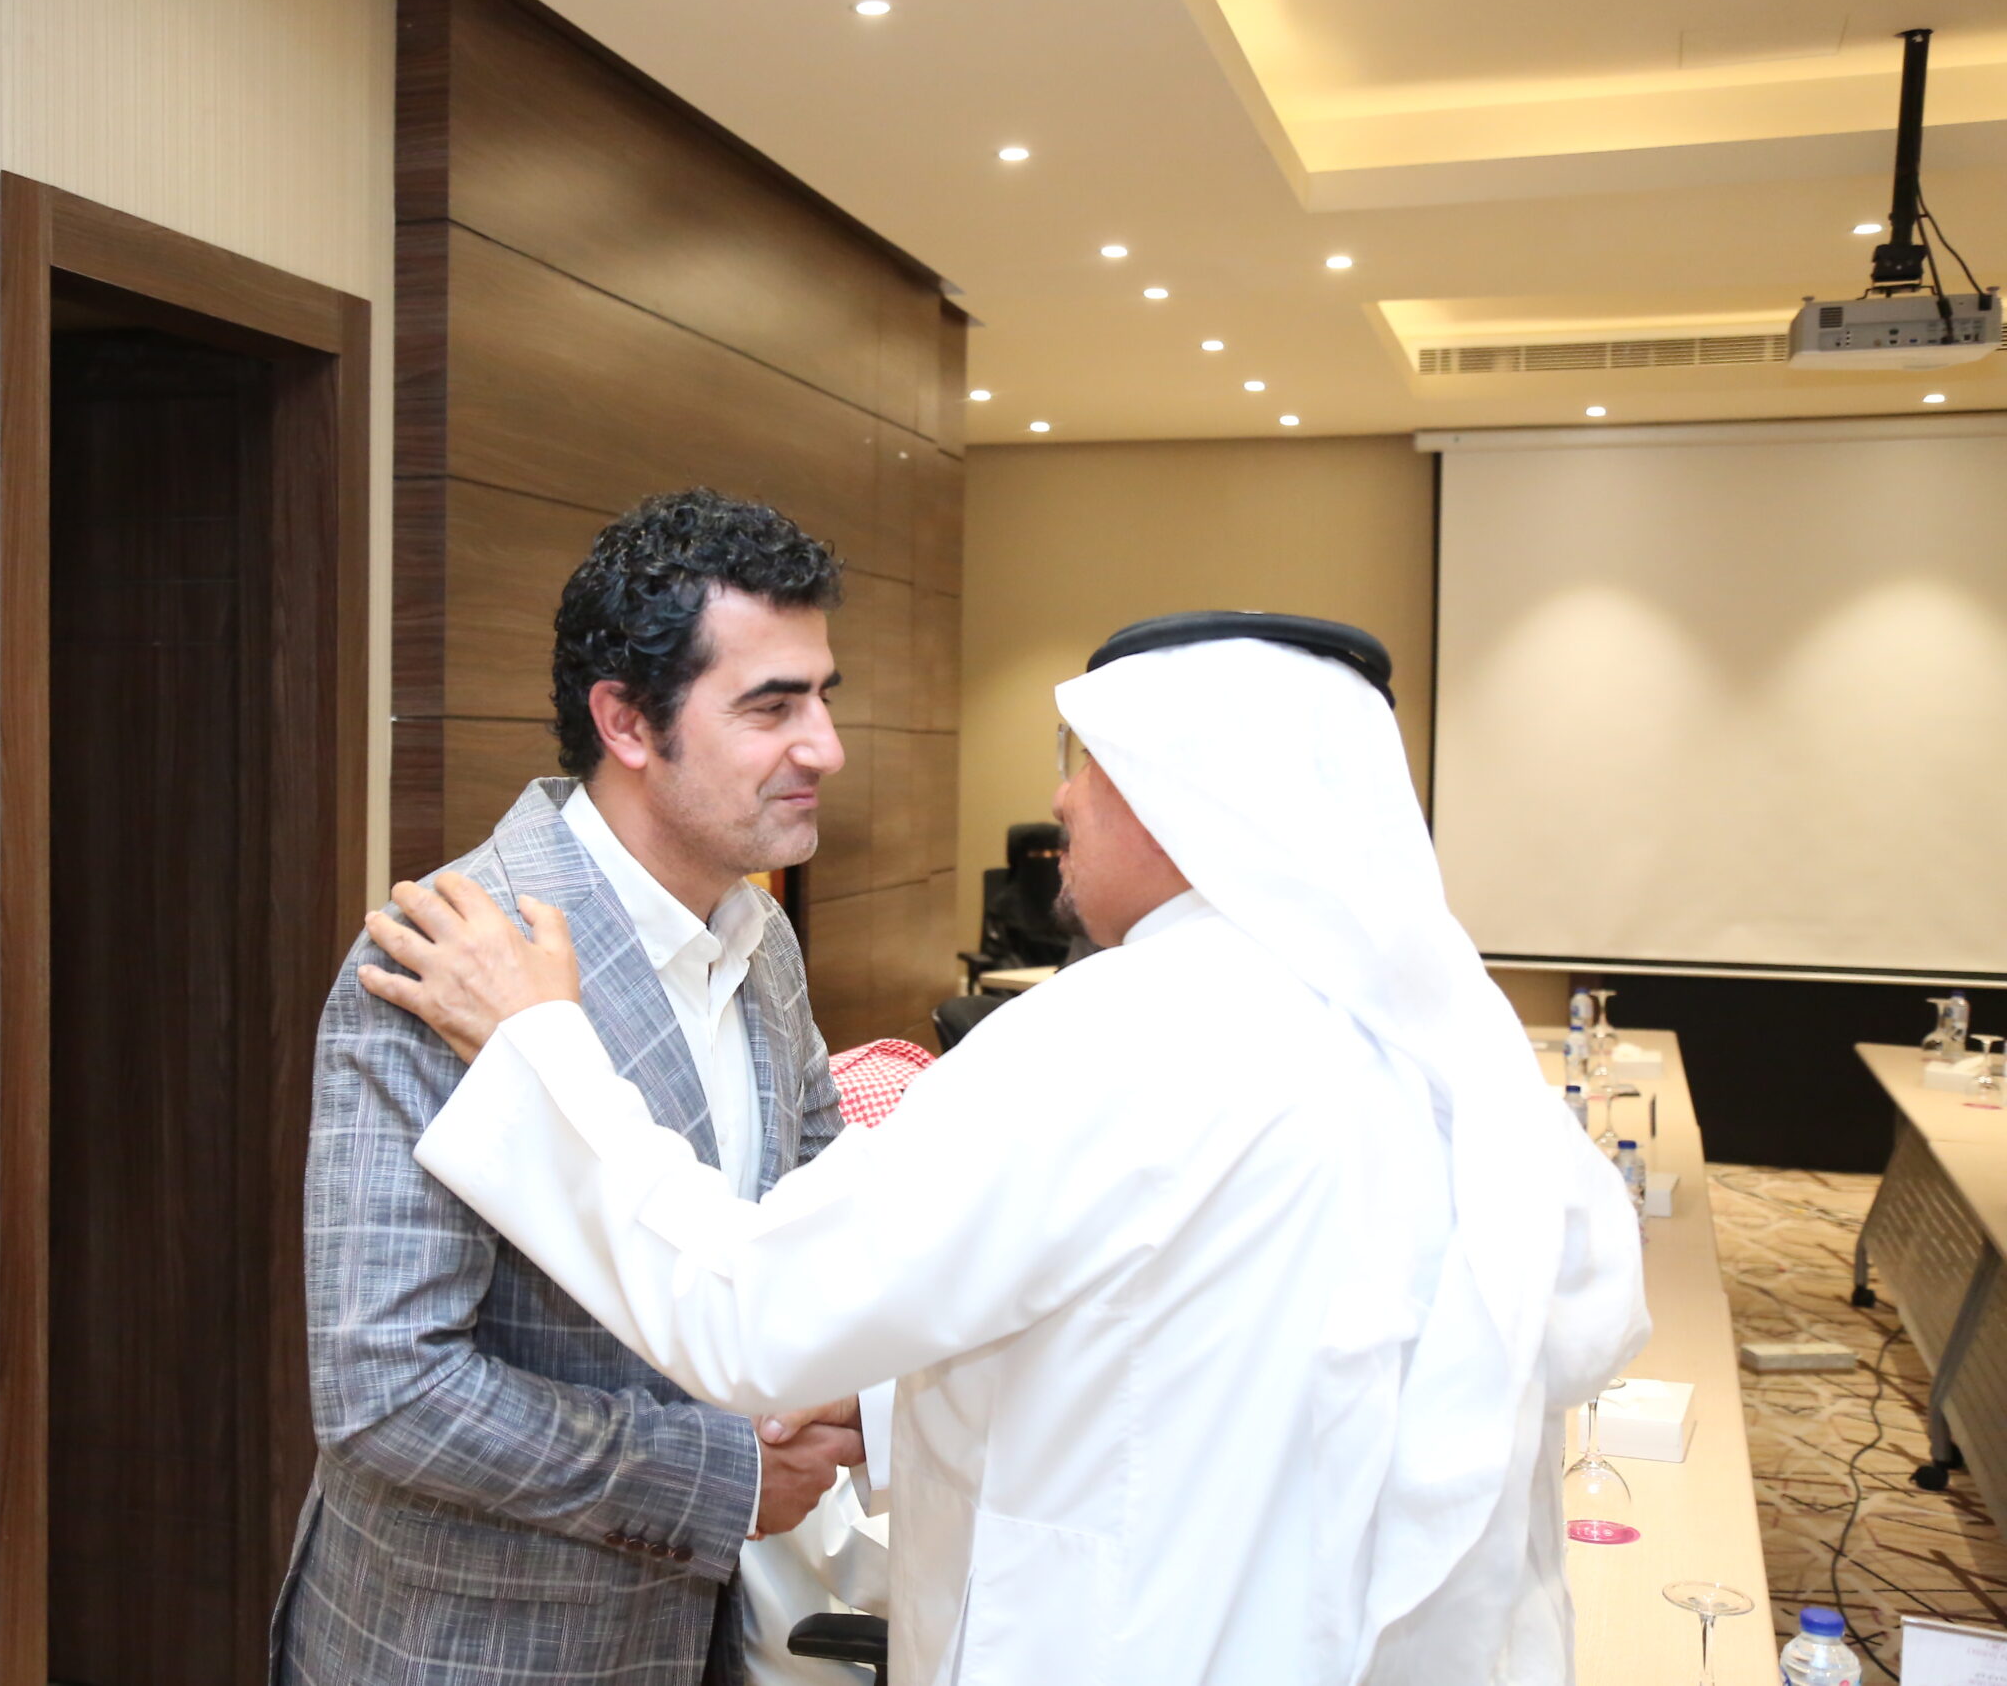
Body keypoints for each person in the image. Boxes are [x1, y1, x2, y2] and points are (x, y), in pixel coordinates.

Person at [365, 611, 1652, 1686]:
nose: (1057, 799)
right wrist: (881, 1402)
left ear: (1178, 798)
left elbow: (748, 1308)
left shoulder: (1118, 1036)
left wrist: (538, 1049)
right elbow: (1215, 1335)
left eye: (1083, 764)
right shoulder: (1447, 1048)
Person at [272, 489, 882, 1686]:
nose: (825, 746)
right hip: (478, 1650)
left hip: (702, 1636)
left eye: (823, 697)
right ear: (627, 723)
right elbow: (386, 1388)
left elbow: (802, 1231)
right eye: (771, 707)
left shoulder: (762, 939)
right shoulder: (442, 957)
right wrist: (721, 1476)